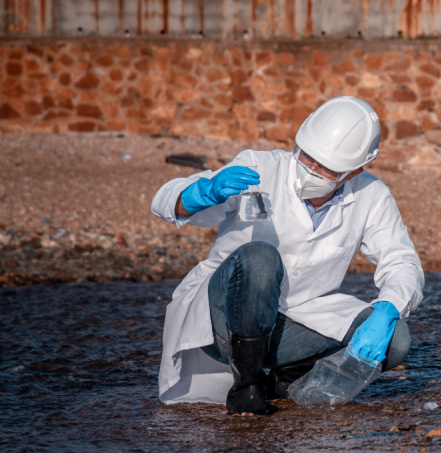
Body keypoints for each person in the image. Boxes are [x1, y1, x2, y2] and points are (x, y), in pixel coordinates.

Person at [151, 96, 424, 415]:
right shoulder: (260, 167)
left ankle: (291, 386)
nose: (311, 169)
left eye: (325, 167)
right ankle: (247, 386)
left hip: (295, 322)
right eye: (307, 157)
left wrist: (388, 307)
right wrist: (202, 192)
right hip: (223, 318)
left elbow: (402, 261)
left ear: (354, 171)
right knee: (260, 257)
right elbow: (163, 203)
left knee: (397, 338)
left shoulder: (372, 195)